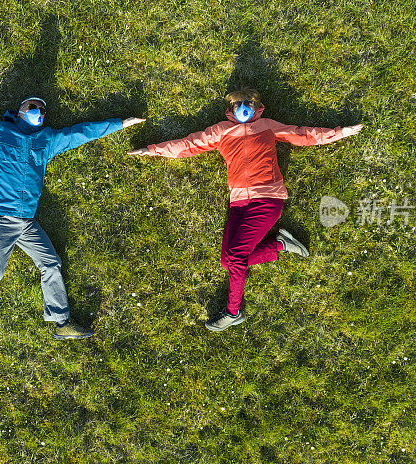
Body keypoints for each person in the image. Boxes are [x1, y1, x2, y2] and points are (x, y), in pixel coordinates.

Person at [129, 88, 362, 332]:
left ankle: (233, 311)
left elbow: (302, 134)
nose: (243, 107)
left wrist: (339, 133)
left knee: (236, 258)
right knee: (227, 261)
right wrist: (152, 149)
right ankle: (279, 244)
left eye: (248, 102)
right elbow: (188, 144)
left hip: (267, 199)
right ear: (228, 111)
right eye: (237, 103)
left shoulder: (268, 126)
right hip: (238, 201)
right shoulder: (220, 131)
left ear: (258, 107)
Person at [0, 96, 145, 340]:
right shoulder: (1, 131)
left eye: (43, 108)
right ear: (20, 109)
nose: (39, 110)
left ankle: (62, 323)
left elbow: (80, 133)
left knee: (51, 263)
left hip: (26, 221)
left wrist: (121, 123)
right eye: (33, 106)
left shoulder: (47, 140)